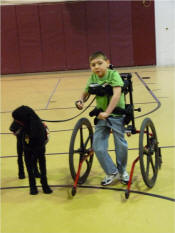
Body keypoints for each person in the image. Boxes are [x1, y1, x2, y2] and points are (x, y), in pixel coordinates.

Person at [76, 51, 129, 186]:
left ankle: (122, 171)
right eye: (93, 65)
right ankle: (112, 172)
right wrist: (81, 100)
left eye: (100, 63)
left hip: (116, 115)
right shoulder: (93, 77)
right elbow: (86, 91)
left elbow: (116, 95)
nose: (96, 67)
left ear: (107, 63)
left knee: (120, 145)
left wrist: (108, 112)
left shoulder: (113, 75)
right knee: (98, 147)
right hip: (101, 117)